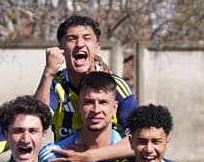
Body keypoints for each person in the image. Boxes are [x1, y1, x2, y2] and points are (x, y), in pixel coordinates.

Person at [38, 14, 136, 143]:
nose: (79, 44)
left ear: (97, 47)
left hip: (110, 160)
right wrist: (48, 73)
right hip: (65, 160)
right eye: (72, 39)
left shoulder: (116, 85)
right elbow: (35, 122)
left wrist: (90, 156)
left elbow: (139, 138)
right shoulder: (55, 84)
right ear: (61, 49)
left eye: (86, 38)